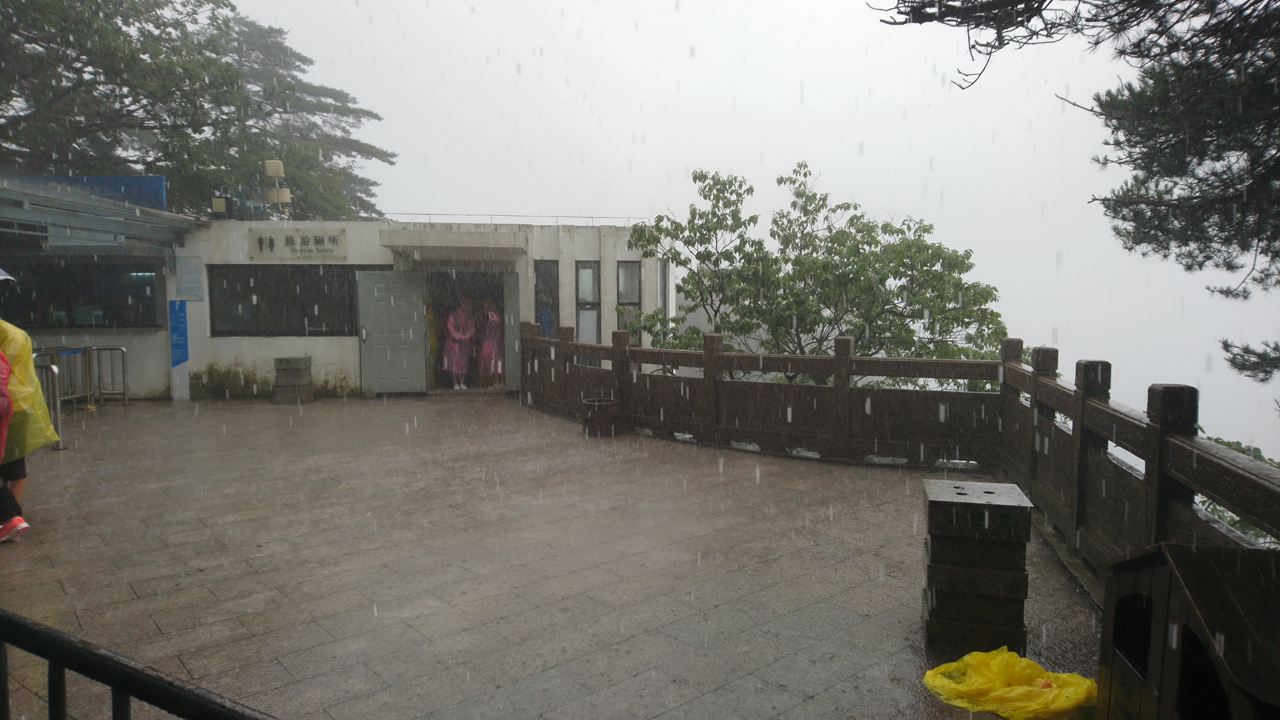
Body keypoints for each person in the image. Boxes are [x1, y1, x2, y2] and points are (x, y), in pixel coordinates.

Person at [0, 268, 58, 543]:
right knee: (14, 463)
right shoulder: (17, 334)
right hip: (17, 403)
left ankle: (8, 516)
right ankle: (12, 512)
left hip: (5, 400)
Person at [443, 296, 476, 390]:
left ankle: (462, 382)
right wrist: (457, 336)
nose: (466, 305)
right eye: (464, 303)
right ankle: (455, 383)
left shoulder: (469, 316)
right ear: (461, 304)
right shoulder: (454, 314)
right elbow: (450, 326)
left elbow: (472, 329)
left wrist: (466, 336)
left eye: (467, 304)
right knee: (454, 362)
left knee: (463, 363)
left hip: (464, 344)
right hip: (454, 343)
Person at [479, 300, 504, 387]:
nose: (486, 309)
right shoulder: (486, 318)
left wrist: (491, 315)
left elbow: (497, 323)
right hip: (490, 343)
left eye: (488, 307)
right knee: (493, 363)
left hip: (497, 343)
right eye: (486, 307)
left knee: (499, 362)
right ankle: (497, 382)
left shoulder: (495, 316)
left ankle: (502, 382)